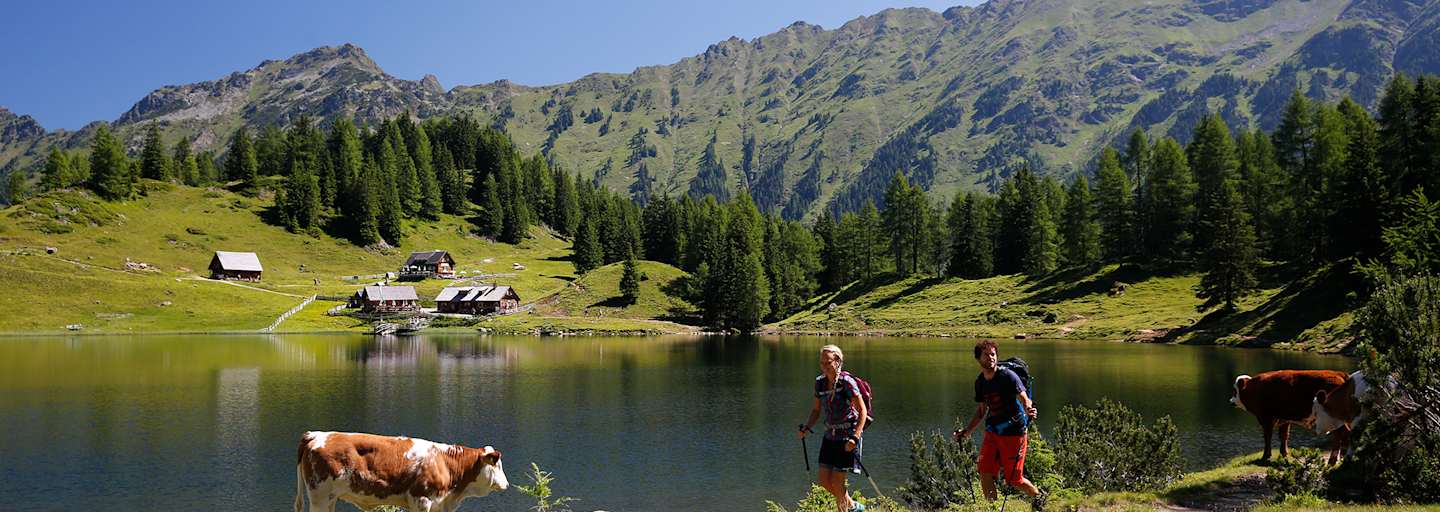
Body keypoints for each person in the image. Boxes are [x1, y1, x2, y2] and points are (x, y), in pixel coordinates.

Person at [953, 339, 1045, 510]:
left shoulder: (1008, 376)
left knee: (1014, 480)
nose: (991, 358)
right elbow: (981, 411)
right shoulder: (980, 382)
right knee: (984, 472)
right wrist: (967, 432)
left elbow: (1024, 398)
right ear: (978, 359)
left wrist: (1029, 410)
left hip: (1014, 433)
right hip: (992, 432)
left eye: (993, 354)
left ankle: (1039, 499)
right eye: (986, 355)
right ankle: (993, 508)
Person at [799, 345, 868, 512]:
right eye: (821, 363)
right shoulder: (820, 383)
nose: (824, 366)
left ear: (837, 362)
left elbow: (862, 411)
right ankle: (855, 507)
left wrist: (855, 437)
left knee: (837, 482)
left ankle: (846, 509)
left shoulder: (847, 382)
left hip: (847, 437)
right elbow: (816, 410)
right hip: (830, 435)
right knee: (824, 481)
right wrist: (807, 427)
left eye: (827, 362)